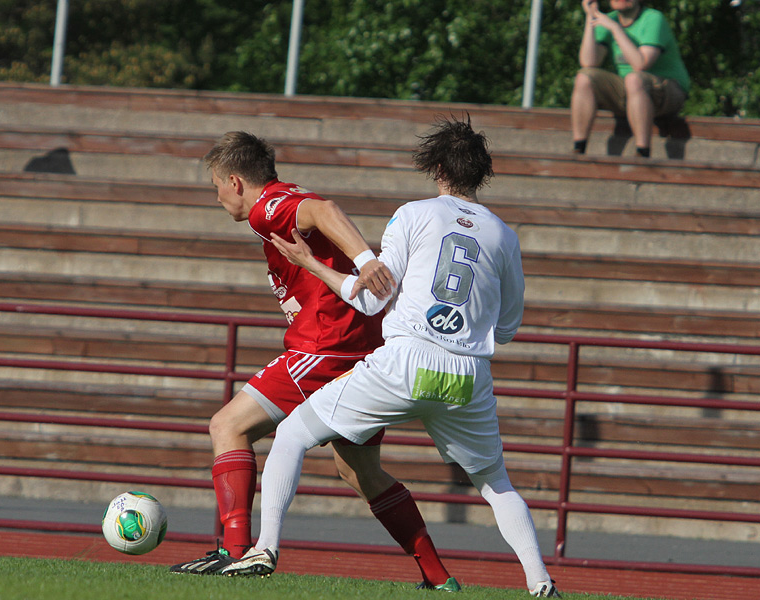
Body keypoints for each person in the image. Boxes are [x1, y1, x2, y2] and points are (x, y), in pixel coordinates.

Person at [218, 116, 560, 598]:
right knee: (495, 483)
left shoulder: (414, 214)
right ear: (481, 173)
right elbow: (507, 329)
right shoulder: (505, 236)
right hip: (467, 376)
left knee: (292, 433)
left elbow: (372, 300)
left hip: (406, 361)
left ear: (437, 166)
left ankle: (264, 549)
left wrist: (311, 263)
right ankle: (540, 583)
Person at [169, 131, 459, 591]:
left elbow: (323, 210)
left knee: (227, 426)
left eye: (216, 185)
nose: (217, 195)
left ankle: (236, 552)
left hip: (324, 348)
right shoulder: (282, 199)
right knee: (358, 470)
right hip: (360, 349)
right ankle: (438, 577)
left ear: (235, 181)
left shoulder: (270, 206)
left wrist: (365, 260)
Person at [570, 0, 690, 158]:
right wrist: (590, 18)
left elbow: (641, 63)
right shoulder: (609, 19)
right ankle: (579, 148)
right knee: (584, 77)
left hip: (669, 91)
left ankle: (642, 152)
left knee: (634, 79)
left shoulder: (653, 19)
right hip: (632, 92)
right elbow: (588, 62)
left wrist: (615, 29)